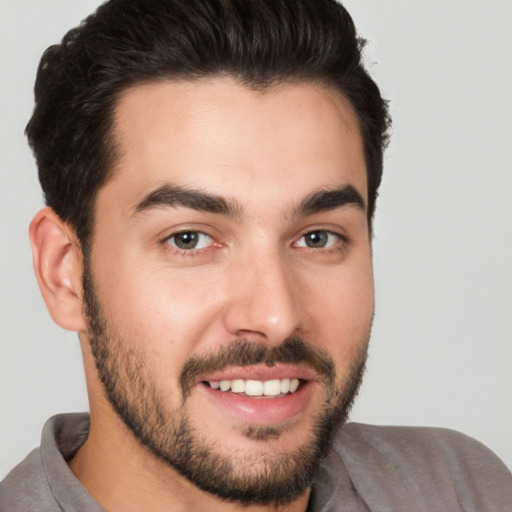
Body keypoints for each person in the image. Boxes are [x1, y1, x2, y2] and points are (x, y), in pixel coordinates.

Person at [1, 0, 510, 510]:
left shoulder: (461, 489)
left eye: (317, 238)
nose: (276, 316)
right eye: (189, 239)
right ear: (65, 273)